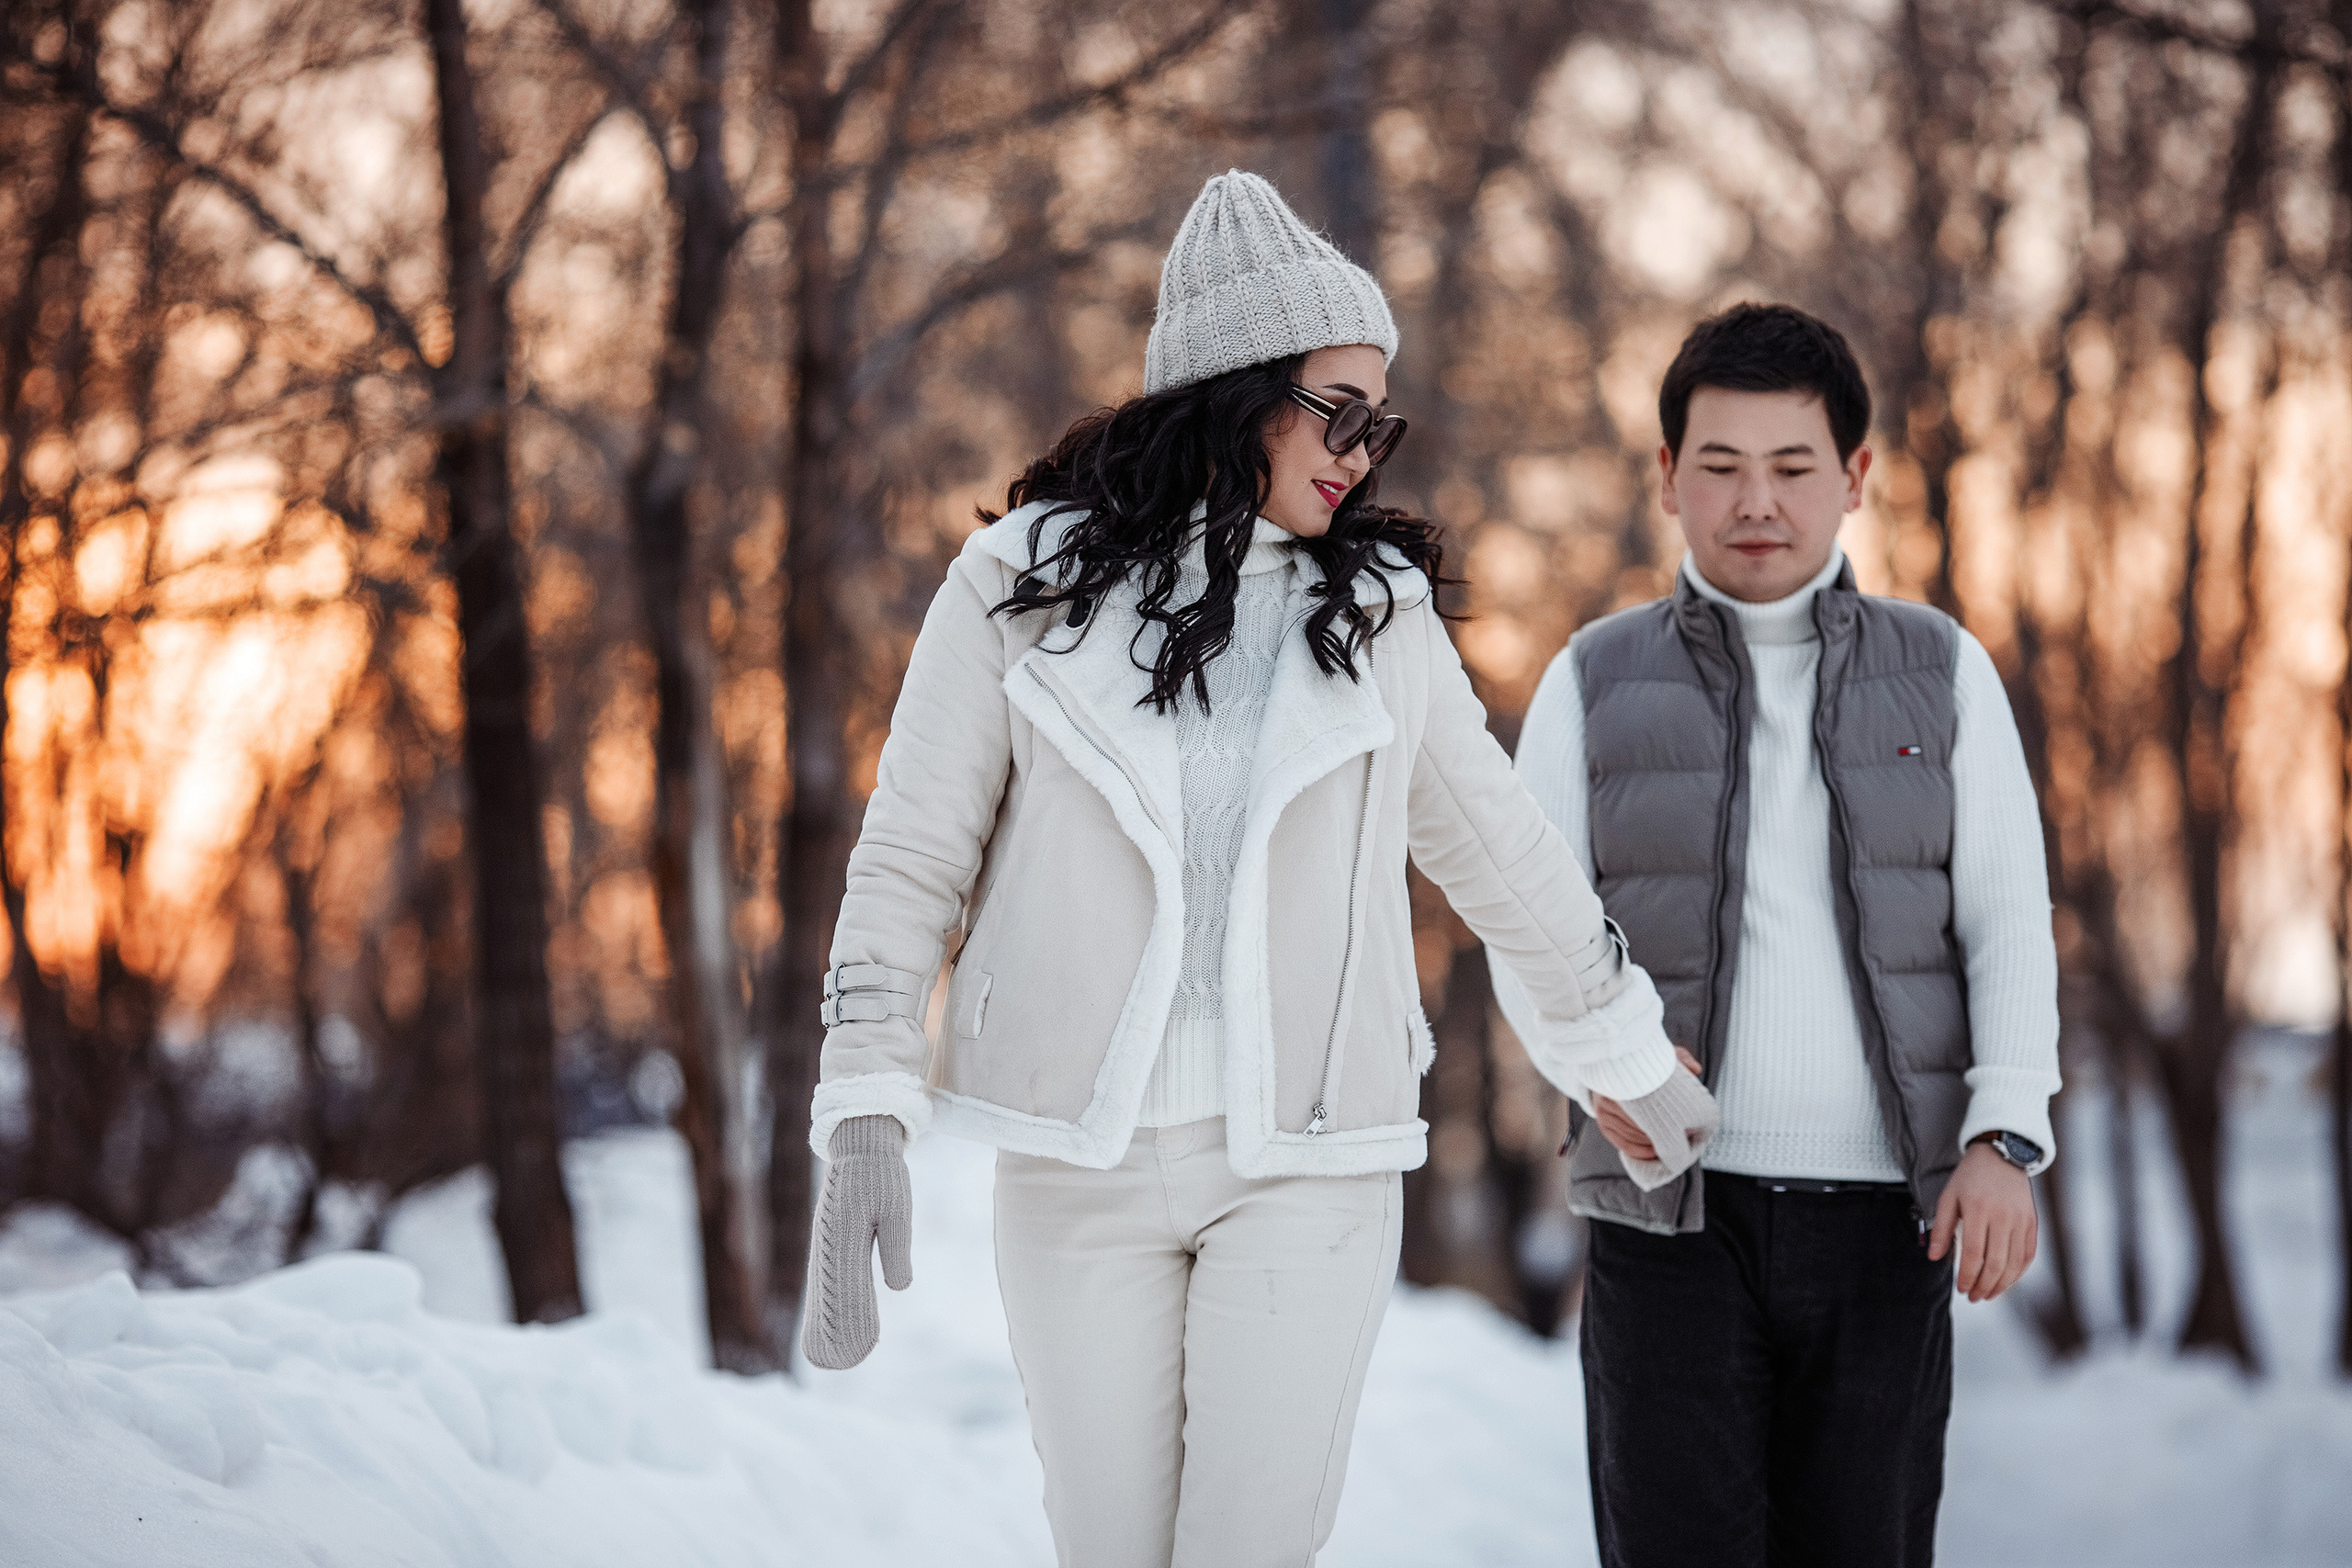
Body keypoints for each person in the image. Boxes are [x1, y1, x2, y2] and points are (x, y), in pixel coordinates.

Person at [794, 170, 1717, 1568]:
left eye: (1381, 420)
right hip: (1076, 1166)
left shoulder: (1375, 615)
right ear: (1237, 393)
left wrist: (1630, 1056)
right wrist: (866, 1098)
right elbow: (914, 851)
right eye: (1340, 410)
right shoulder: (1015, 586)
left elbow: (1498, 852)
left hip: (1305, 1165)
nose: (1365, 451)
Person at [1494, 301, 2062, 1568]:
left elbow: (2007, 921)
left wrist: (2004, 1133)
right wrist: (1608, 1072)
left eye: (1794, 467)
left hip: (1886, 1227)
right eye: (1722, 466)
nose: (1758, 501)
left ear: (1854, 478)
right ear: (1667, 478)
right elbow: (1527, 933)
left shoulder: (1945, 670)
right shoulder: (1592, 680)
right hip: (1667, 1224)